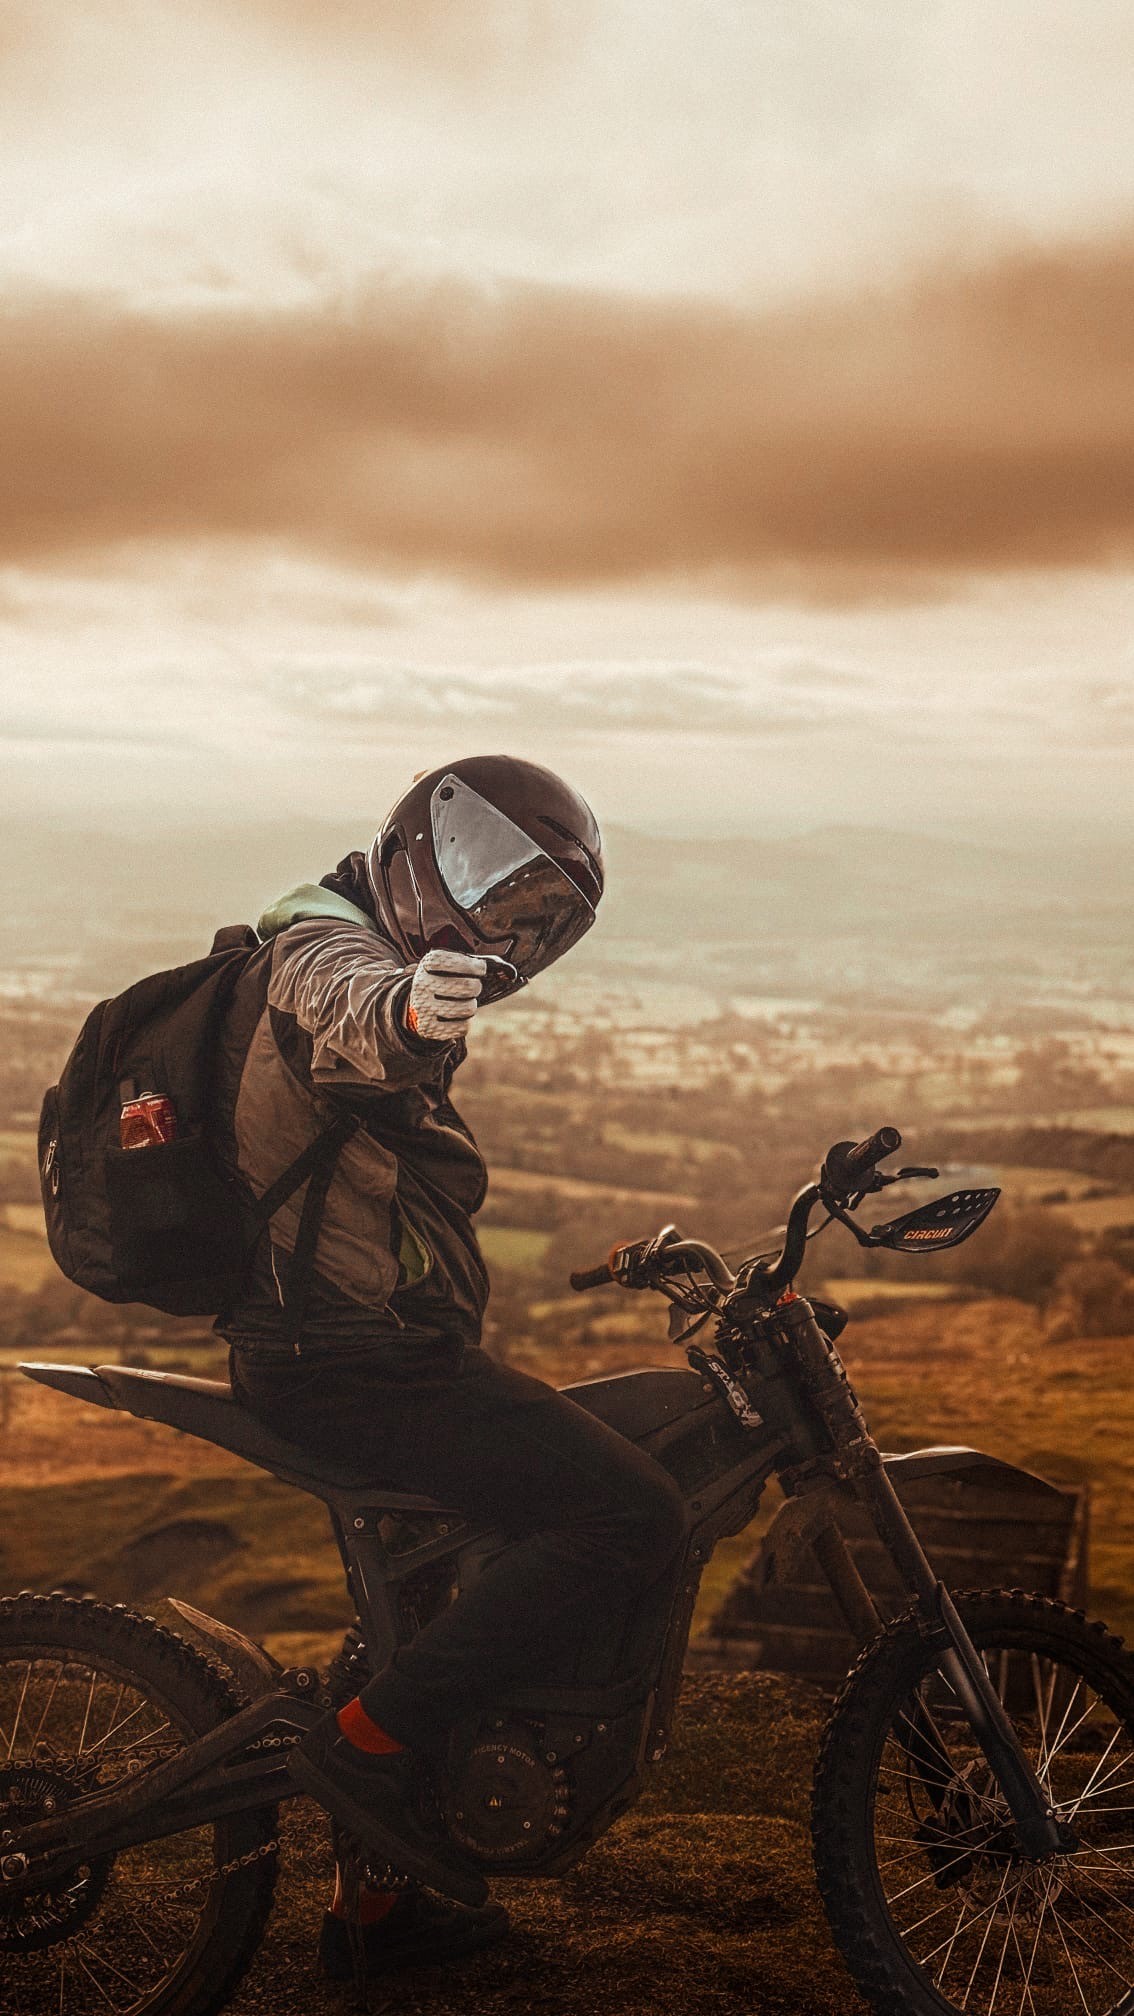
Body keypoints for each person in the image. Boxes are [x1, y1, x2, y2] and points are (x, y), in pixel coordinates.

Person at [217, 755, 689, 1981]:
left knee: (427, 1587)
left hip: (364, 1352)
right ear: (419, 843)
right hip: (348, 1367)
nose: (501, 930)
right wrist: (413, 1013)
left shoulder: (350, 937)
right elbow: (352, 1007)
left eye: (534, 920)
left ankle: (375, 1918)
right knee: (632, 1513)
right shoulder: (320, 951)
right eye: (489, 882)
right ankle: (366, 1745)